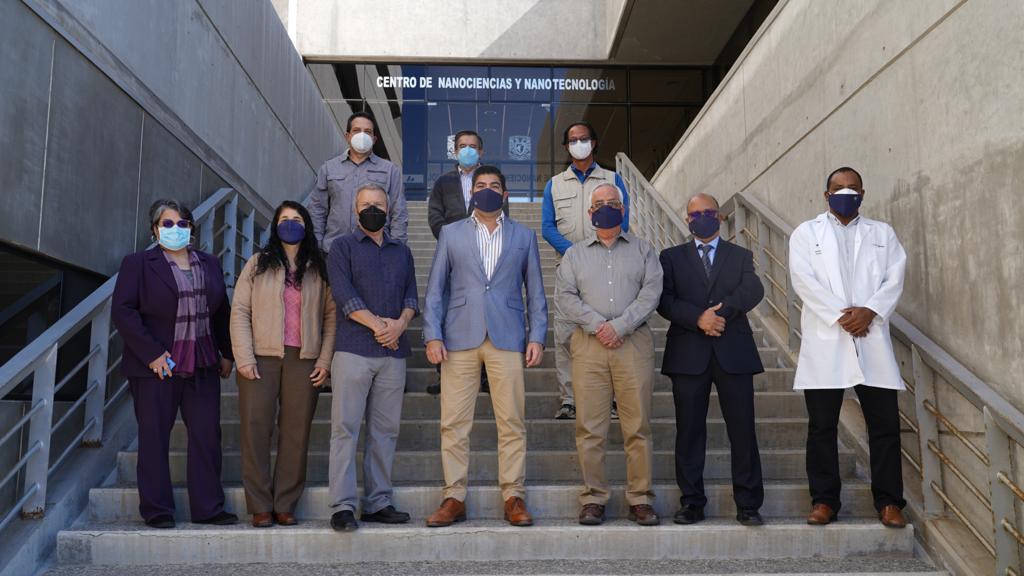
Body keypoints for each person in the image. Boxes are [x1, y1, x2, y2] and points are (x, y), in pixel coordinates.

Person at [422, 166, 547, 528]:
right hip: (459, 337)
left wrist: (537, 336)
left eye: (494, 185)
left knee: (512, 422)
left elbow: (536, 292)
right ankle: (454, 497)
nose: (487, 190)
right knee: (453, 423)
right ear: (471, 193)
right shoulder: (451, 233)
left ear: (505, 194)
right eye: (480, 185)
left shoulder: (524, 236)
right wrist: (432, 334)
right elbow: (435, 289)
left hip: (507, 336)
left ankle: (513, 496)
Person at [788, 167, 908, 529]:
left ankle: (889, 502)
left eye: (852, 188)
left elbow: (894, 277)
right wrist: (842, 316)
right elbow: (803, 280)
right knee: (822, 427)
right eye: (838, 188)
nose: (845, 193)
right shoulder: (806, 233)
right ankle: (824, 501)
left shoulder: (882, 233)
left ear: (863, 193)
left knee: (884, 425)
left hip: (871, 337)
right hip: (828, 339)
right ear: (826, 195)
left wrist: (870, 311)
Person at [111, 199, 236, 529]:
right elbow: (123, 311)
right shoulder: (138, 264)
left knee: (206, 435)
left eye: (182, 223)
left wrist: (227, 352)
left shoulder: (209, 263)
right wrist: (151, 353)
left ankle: (208, 508)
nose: (175, 229)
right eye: (167, 224)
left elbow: (221, 311)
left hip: (202, 363)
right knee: (154, 438)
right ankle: (157, 510)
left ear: (191, 228)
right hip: (157, 367)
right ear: (155, 229)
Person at [555, 183, 663, 526]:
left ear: (623, 209)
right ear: (590, 212)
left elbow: (651, 293)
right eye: (599, 203)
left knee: (638, 426)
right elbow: (565, 297)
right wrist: (599, 325)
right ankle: (593, 497)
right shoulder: (574, 255)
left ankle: (640, 498)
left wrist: (620, 326)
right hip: (589, 346)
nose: (606, 207)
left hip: (633, 345)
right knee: (589, 427)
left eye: (612, 203)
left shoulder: (644, 250)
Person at [657, 192, 766, 527]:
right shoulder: (671, 257)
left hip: (733, 351)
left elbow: (753, 289)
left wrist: (721, 314)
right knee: (689, 432)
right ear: (687, 219)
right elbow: (664, 301)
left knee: (743, 430)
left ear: (719, 216)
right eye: (694, 214)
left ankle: (748, 504)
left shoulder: (740, 254)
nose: (701, 218)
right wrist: (697, 318)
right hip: (688, 354)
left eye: (708, 212)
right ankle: (691, 502)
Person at [230, 201, 335, 528]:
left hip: (303, 360)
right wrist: (244, 357)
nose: (290, 223)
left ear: (307, 225)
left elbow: (331, 317)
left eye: (297, 219)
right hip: (261, 357)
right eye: (284, 218)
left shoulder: (318, 268)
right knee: (255, 429)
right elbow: (240, 311)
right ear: (275, 225)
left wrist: (325, 359)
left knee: (296, 432)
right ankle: (260, 505)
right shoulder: (257, 264)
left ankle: (285, 503)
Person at [326, 183, 418, 532]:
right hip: (353, 349)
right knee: (345, 428)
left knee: (385, 431)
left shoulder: (402, 252)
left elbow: (411, 297)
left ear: (389, 209)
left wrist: (401, 324)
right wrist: (381, 327)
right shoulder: (342, 247)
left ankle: (379, 501)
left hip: (393, 354)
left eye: (378, 204)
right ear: (355, 210)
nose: (372, 210)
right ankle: (343, 505)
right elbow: (344, 295)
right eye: (366, 204)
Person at [541, 121, 630, 420]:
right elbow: (547, 227)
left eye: (583, 139)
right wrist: (575, 253)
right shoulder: (554, 184)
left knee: (609, 329)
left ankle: (613, 400)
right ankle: (570, 399)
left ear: (593, 142)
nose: (578, 144)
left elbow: (623, 221)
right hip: (568, 267)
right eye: (572, 140)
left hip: (608, 264)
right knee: (566, 334)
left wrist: (595, 250)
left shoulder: (613, 179)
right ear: (566, 147)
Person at [424, 130, 507, 395]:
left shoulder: (491, 179)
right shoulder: (443, 182)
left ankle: (485, 375)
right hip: (452, 255)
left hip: (487, 254)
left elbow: (503, 214)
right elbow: (435, 214)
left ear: (481, 151)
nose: (467, 150)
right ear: (455, 151)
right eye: (462, 146)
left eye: (472, 146)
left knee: (485, 311)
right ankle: (444, 373)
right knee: (448, 310)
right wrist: (453, 241)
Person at [308, 111, 408, 249]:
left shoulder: (390, 170)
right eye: (356, 130)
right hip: (334, 249)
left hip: (375, 249)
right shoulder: (328, 169)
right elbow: (317, 209)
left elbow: (398, 212)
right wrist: (316, 246)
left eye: (367, 132)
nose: (362, 135)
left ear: (374, 139)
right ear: (347, 136)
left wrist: (397, 248)